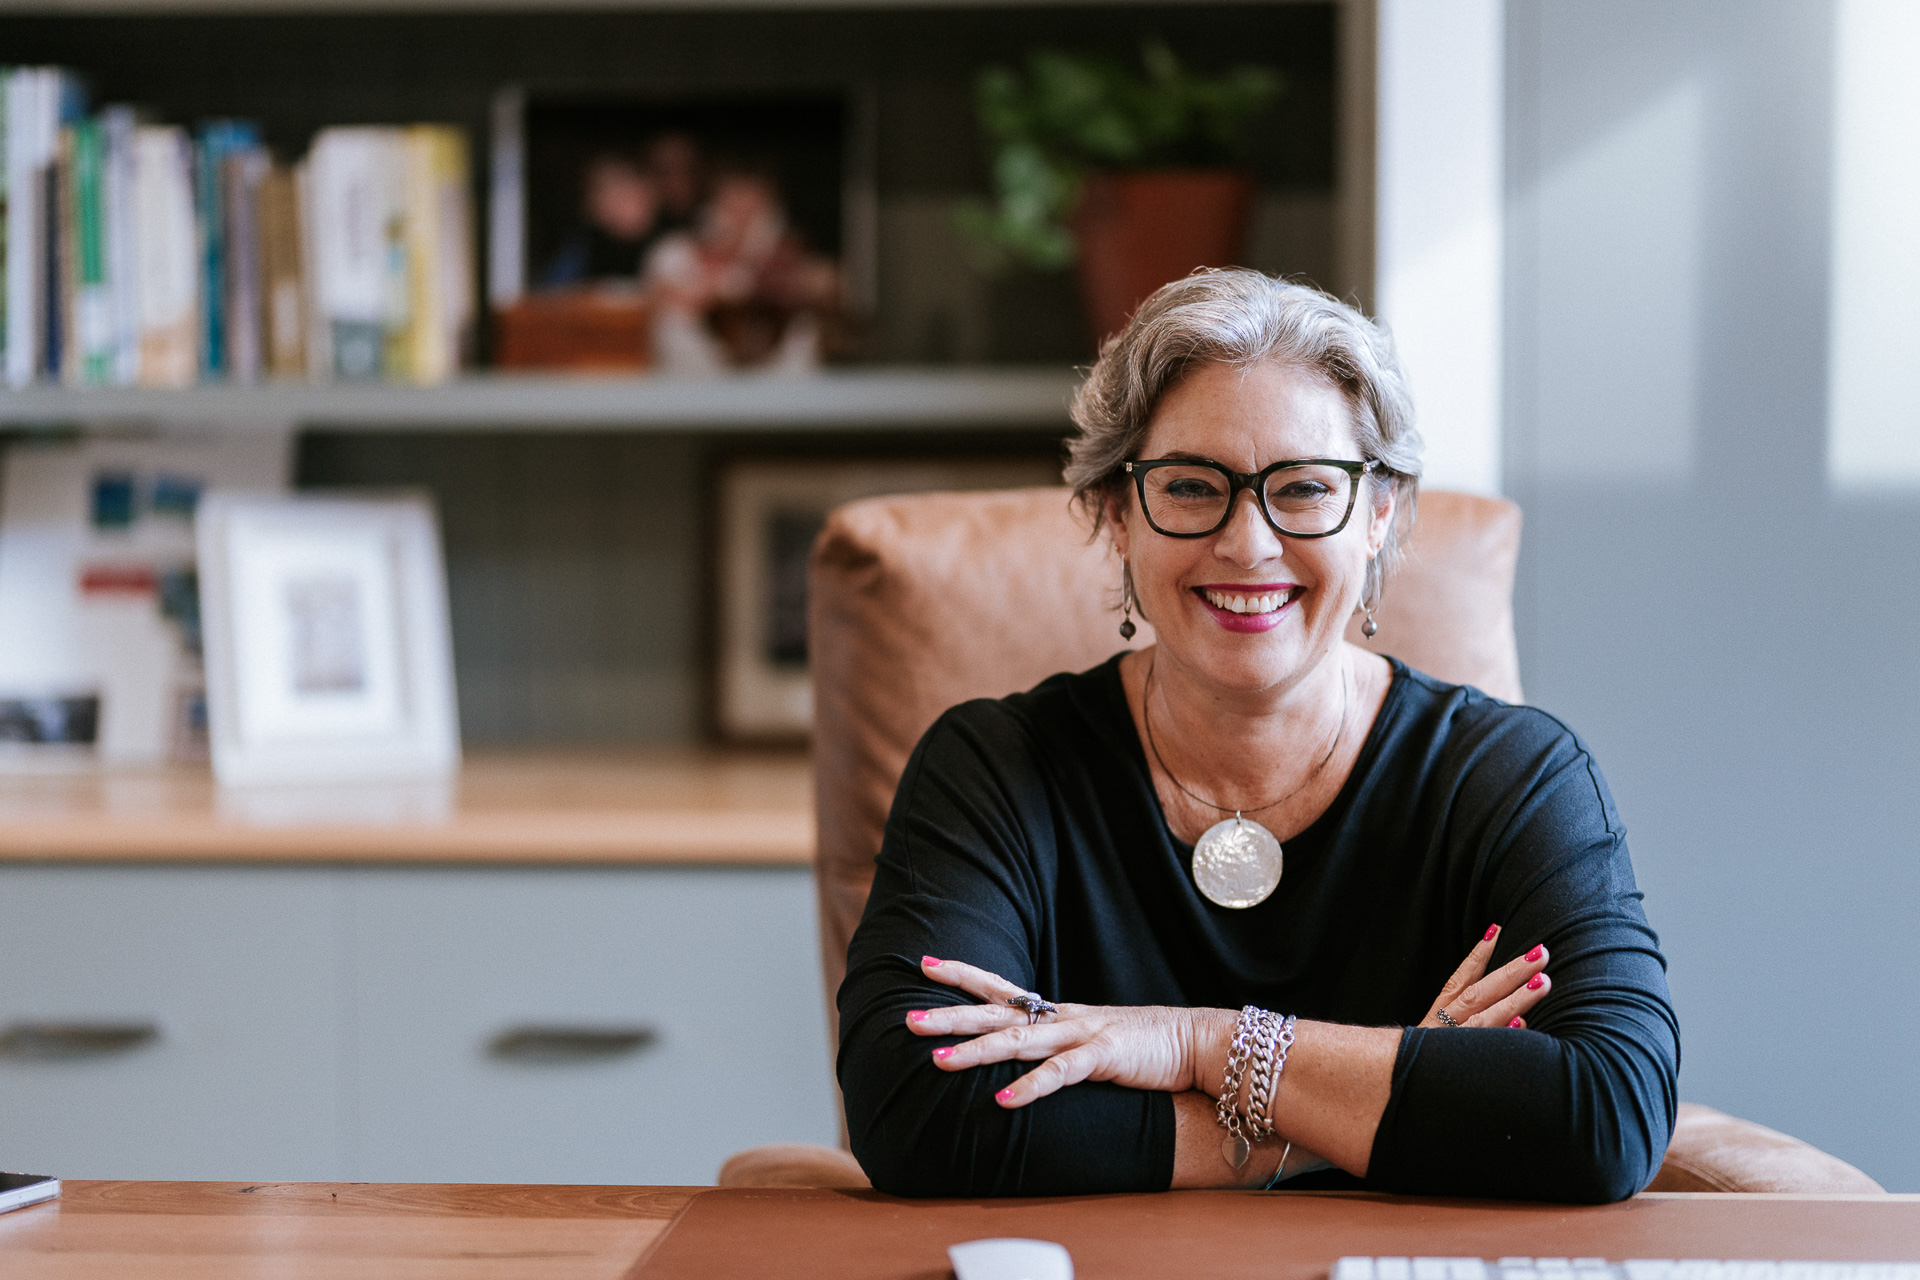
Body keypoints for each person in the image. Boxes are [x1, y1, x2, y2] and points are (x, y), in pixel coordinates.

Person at [835, 269, 1679, 1203]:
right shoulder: (994, 770)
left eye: (1306, 488)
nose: (1248, 543)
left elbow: (1607, 1113)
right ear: (1118, 513)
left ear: (1379, 514)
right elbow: (917, 1113)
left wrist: (1201, 1044)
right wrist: (1379, 1106)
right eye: (1193, 487)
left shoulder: (1515, 776)